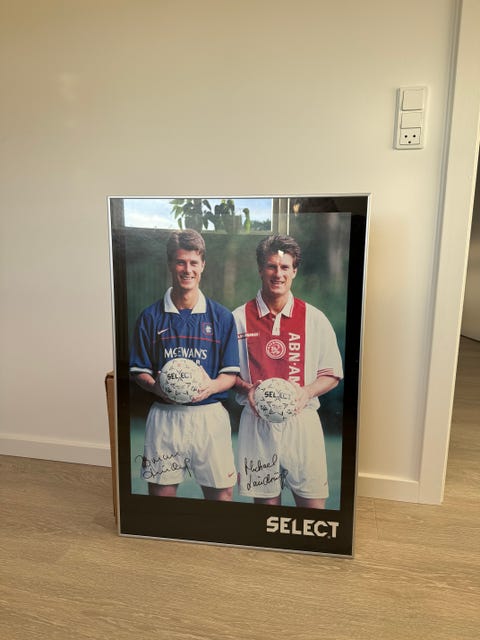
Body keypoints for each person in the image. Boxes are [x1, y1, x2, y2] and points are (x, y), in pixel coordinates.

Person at [233, 234, 343, 508]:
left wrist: (307, 392)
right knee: (266, 512)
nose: (278, 274)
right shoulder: (237, 318)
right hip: (257, 424)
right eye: (271, 266)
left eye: (284, 267)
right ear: (260, 269)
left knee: (313, 508)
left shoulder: (314, 318)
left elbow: (332, 373)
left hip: (302, 422)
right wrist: (247, 388)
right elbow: (227, 374)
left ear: (294, 271)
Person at [129, 229, 240, 501]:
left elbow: (230, 374)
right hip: (165, 417)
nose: (187, 269)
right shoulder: (150, 317)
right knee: (161, 495)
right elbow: (139, 371)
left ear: (203, 265)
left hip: (209, 416)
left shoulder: (222, 317)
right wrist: (155, 387)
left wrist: (211, 386)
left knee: (221, 495)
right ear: (170, 264)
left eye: (193, 262)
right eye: (180, 262)